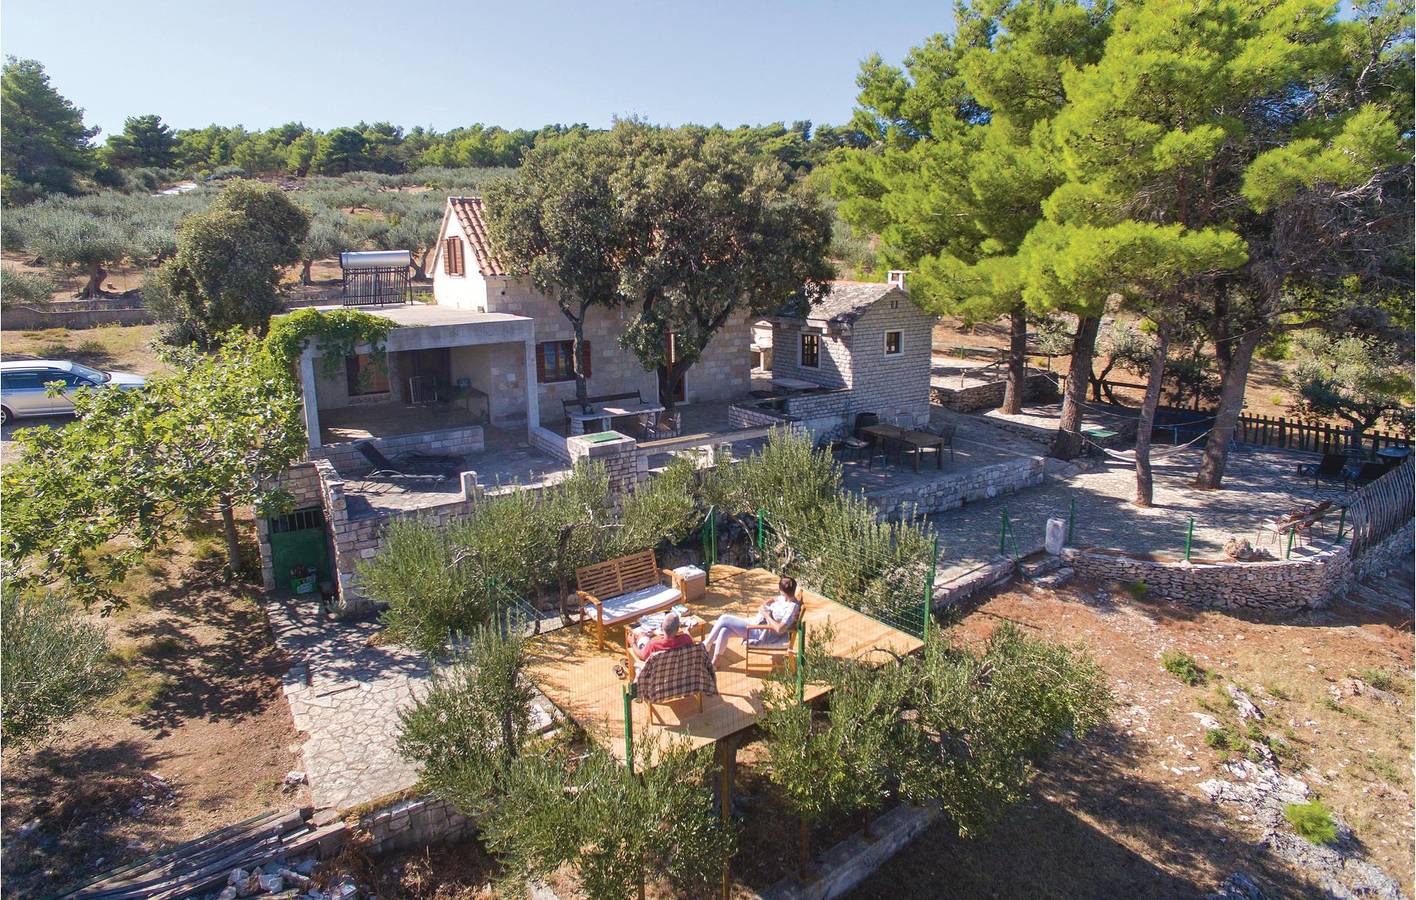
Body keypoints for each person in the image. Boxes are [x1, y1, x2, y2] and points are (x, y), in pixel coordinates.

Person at [704, 576, 800, 667]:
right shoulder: (784, 598)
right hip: (756, 622)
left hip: (761, 631)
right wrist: (766, 605)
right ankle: (715, 661)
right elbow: (774, 599)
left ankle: (705, 646)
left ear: (782, 591)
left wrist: (766, 614)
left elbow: (780, 629)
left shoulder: (792, 607)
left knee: (724, 618)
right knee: (725, 630)